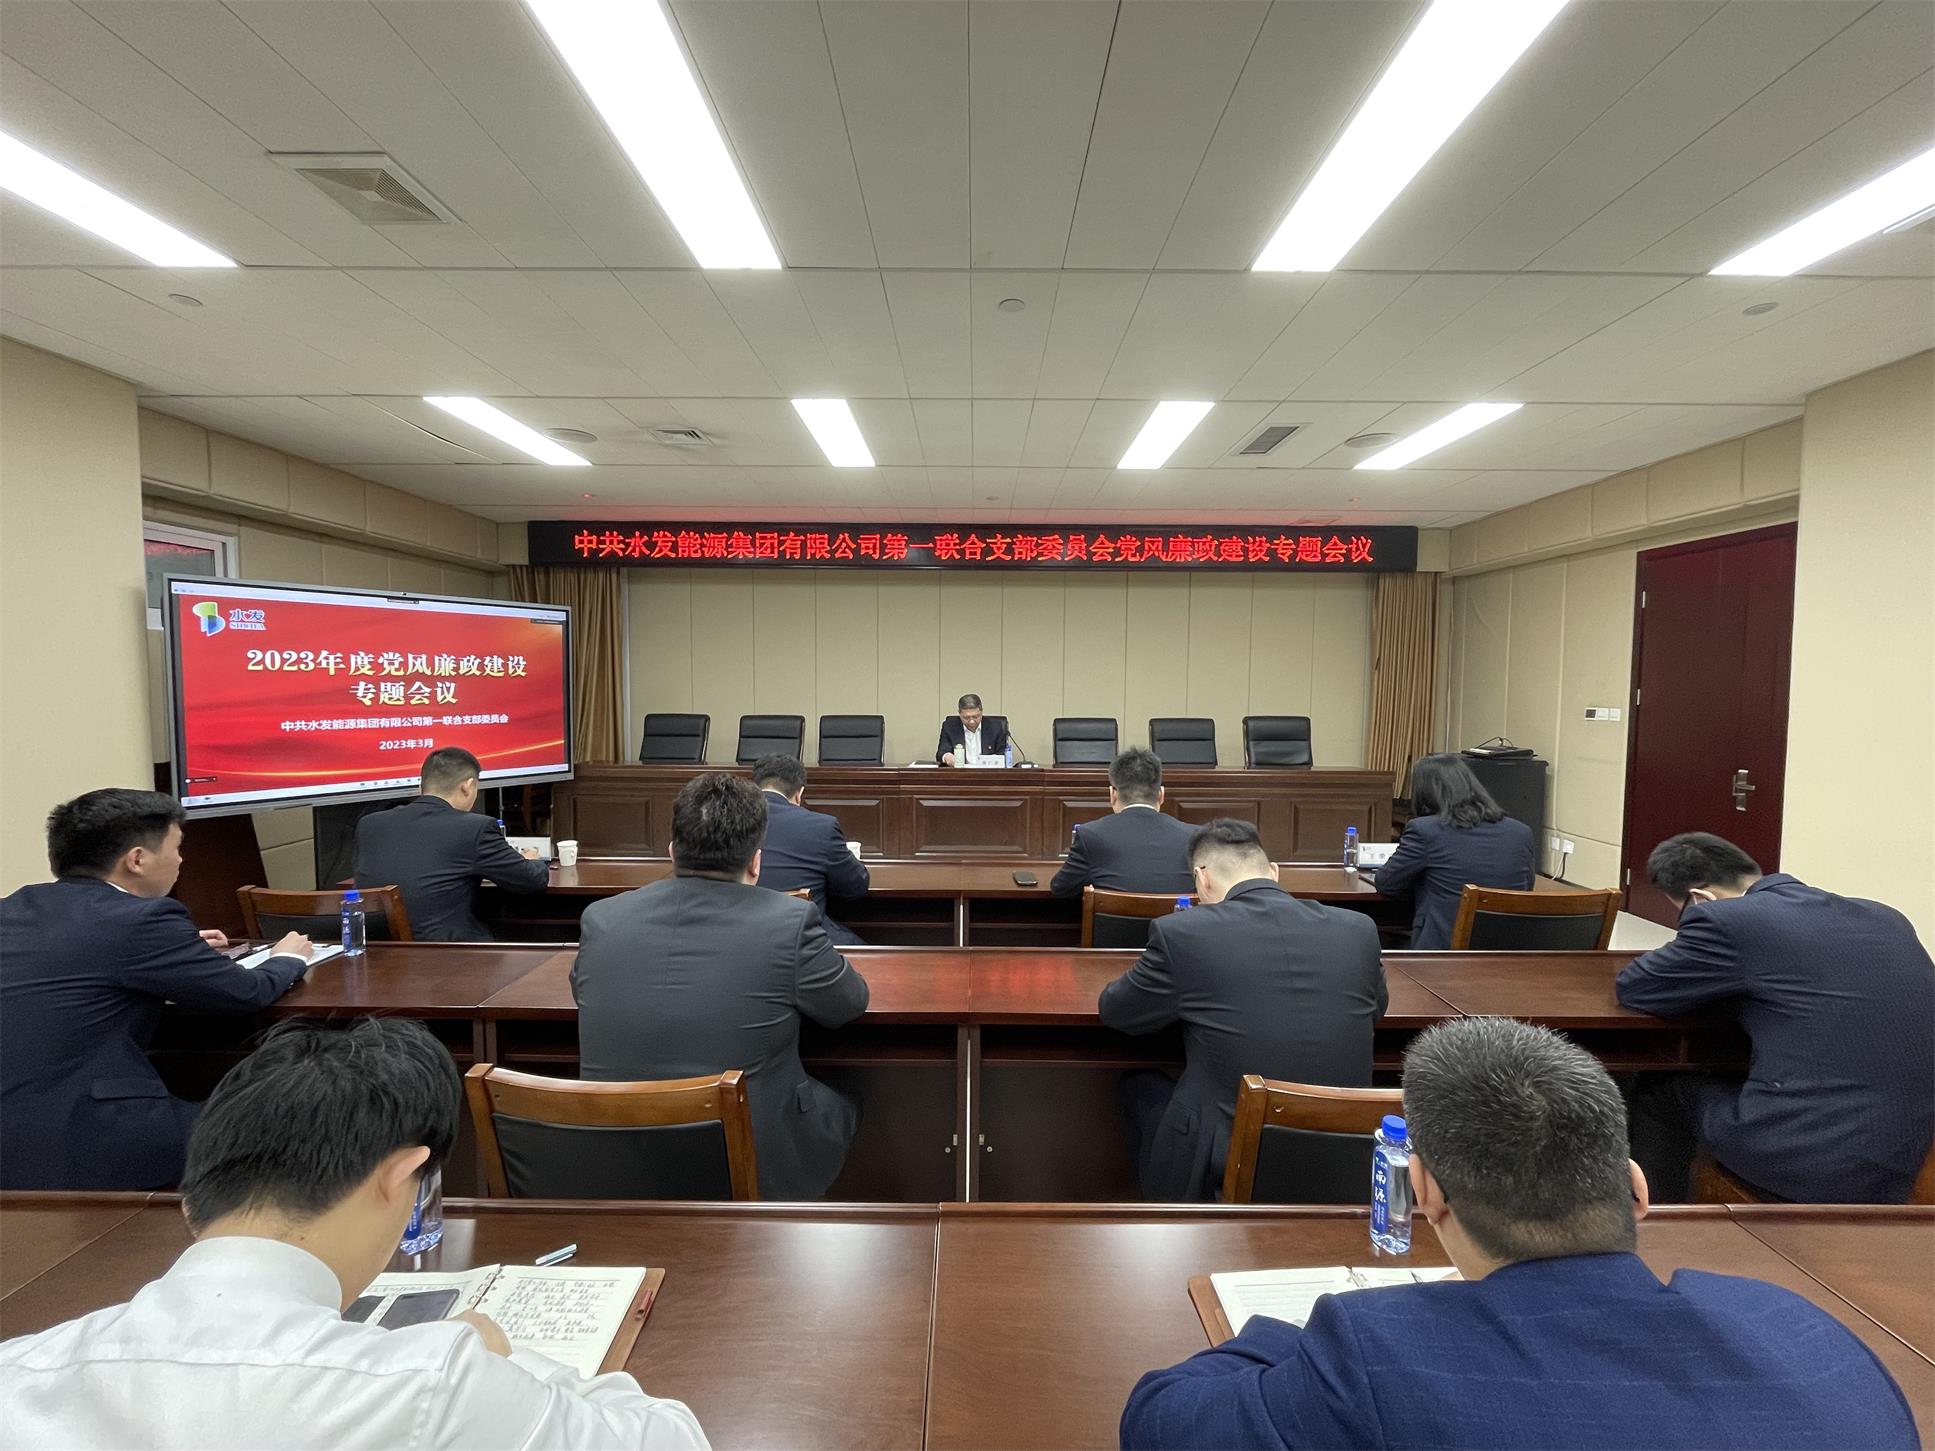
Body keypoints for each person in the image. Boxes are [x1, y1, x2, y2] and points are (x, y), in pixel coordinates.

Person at [1119, 1016, 1919, 1450]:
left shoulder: (1373, 1357)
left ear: (1424, 1191)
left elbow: (1160, 1417)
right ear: (1636, 1187)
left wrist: (1303, 1329)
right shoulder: (1812, 1336)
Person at [0, 1018, 710, 1449]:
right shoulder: (432, 1384)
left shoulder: (19, 1372)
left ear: (197, 1196)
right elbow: (671, 1439)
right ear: (399, 1178)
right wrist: (498, 1354)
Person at [573, 773, 870, 1199]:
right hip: (746, 1160)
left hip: (614, 1161)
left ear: (672, 851)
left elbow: (582, 990)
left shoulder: (602, 918)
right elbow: (849, 1003)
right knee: (855, 1093)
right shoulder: (789, 921)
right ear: (755, 863)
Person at [0, 788, 314, 1190]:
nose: (181, 860)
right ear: (137, 859)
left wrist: (177, 951)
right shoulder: (142, 920)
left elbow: (79, 957)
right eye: (176, 847)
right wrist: (286, 958)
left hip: (16, 1134)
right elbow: (245, 993)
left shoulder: (14, 908)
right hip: (86, 1137)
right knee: (296, 1117)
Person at [1616, 832, 1934, 1202]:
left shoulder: (1725, 919)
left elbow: (1636, 987)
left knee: (1661, 1087)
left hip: (1806, 1157)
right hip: (1903, 1159)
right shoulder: (1885, 916)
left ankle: (1656, 1218)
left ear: (1701, 898)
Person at [1098, 818, 1386, 1202]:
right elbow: (1376, 1010)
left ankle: (1161, 1217)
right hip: (1349, 1156)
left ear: (1201, 879)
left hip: (1228, 1158)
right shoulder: (1358, 930)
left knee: (1137, 1087)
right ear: (1274, 872)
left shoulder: (1183, 933)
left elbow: (1117, 1011)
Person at [353, 746, 549, 941]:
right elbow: (531, 881)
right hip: (446, 951)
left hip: (374, 950)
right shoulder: (475, 828)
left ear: (421, 787)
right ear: (467, 786)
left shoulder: (369, 824)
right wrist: (533, 860)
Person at [1374, 752, 1536, 948]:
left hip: (1443, 953)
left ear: (1425, 793)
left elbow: (1386, 883)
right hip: (1508, 953)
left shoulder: (1425, 830)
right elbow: (1526, 888)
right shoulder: (1521, 832)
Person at [752, 753, 871, 946]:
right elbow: (855, 887)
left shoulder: (726, 822)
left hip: (740, 936)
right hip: (805, 941)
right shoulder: (821, 826)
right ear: (799, 794)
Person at [1050, 748, 1195, 898]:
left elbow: (1060, 888)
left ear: (1112, 794)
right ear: (1161, 795)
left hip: (1113, 915)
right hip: (1178, 914)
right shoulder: (1193, 836)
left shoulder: (1090, 835)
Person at [936, 693, 1010, 766]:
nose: (971, 721)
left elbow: (1002, 754)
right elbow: (941, 753)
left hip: (988, 772)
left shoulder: (996, 727)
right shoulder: (950, 727)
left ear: (981, 712)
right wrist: (946, 756)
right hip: (960, 772)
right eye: (966, 717)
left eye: (975, 717)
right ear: (960, 714)